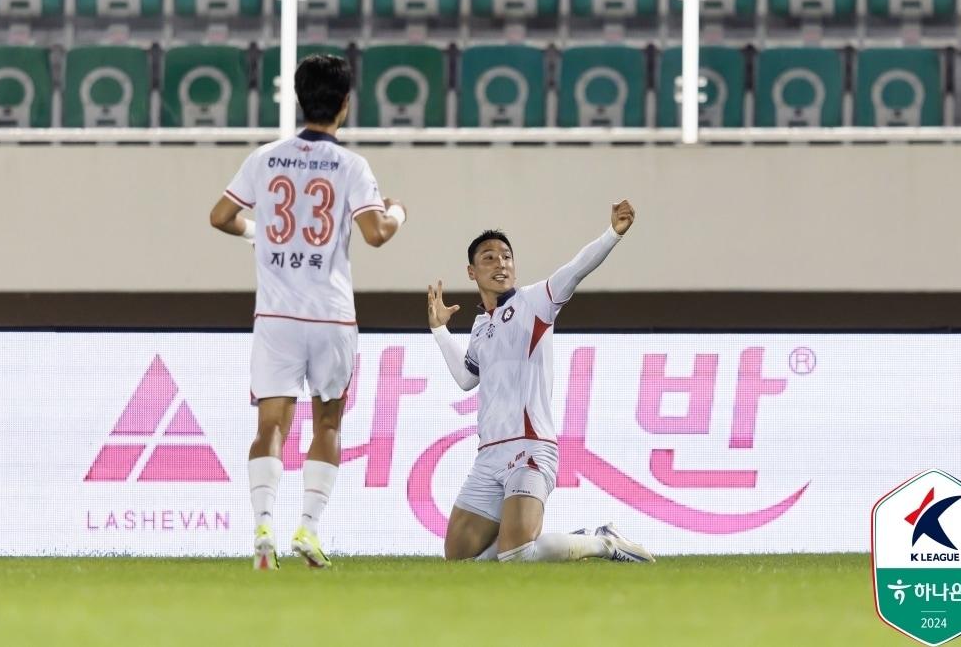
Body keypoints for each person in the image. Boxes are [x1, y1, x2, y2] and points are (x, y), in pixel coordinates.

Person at [209, 55, 406, 570]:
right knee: (328, 424)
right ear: (345, 103)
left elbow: (220, 216)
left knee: (270, 424)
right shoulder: (351, 166)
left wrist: (256, 234)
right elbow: (377, 234)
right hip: (331, 316)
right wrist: (399, 211)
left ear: (299, 99)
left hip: (276, 316)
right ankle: (309, 530)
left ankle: (263, 529)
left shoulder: (266, 157)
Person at [427, 200, 653, 563]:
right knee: (458, 560)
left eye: (506, 256)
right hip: (488, 456)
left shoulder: (536, 301)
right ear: (472, 272)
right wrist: (440, 330)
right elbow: (467, 379)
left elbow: (576, 269)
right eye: (489, 257)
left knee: (516, 555)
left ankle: (604, 542)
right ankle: (565, 544)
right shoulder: (481, 326)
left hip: (529, 448)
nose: (500, 263)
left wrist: (613, 233)